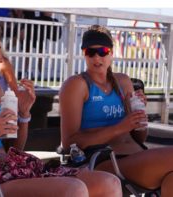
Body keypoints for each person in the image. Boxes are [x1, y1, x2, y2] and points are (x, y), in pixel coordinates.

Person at [0, 22, 122, 196]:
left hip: (15, 171)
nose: (2, 59)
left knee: (108, 183)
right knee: (73, 189)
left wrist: (24, 116)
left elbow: (13, 148)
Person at [60, 24, 173, 197]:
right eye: (90, 52)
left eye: (103, 51)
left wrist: (139, 120)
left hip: (137, 155)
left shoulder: (122, 82)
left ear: (111, 52)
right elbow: (69, 144)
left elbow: (139, 137)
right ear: (84, 54)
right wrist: (120, 127)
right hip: (103, 160)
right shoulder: (77, 85)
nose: (97, 57)